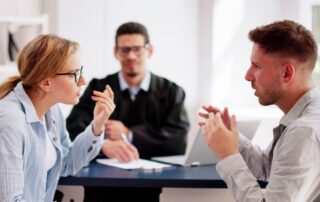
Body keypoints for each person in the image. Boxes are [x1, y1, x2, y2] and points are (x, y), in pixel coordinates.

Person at [66, 22, 190, 201]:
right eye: (124, 50)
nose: (131, 56)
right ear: (116, 52)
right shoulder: (98, 87)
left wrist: (129, 134)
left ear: (150, 50)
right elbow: (72, 129)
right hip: (100, 185)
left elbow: (177, 140)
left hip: (148, 186)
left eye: (137, 49)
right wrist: (102, 144)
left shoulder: (172, 91)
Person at [199, 20, 320, 201]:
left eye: (257, 66)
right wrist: (232, 139)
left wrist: (228, 154)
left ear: (287, 73)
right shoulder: (303, 115)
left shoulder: (303, 131)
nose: (247, 75)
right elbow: (267, 168)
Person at [0, 34, 115, 202]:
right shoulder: (10, 121)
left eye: (81, 71)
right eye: (74, 74)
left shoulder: (51, 111)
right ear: (45, 83)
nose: (82, 81)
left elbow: (67, 163)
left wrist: (97, 124)